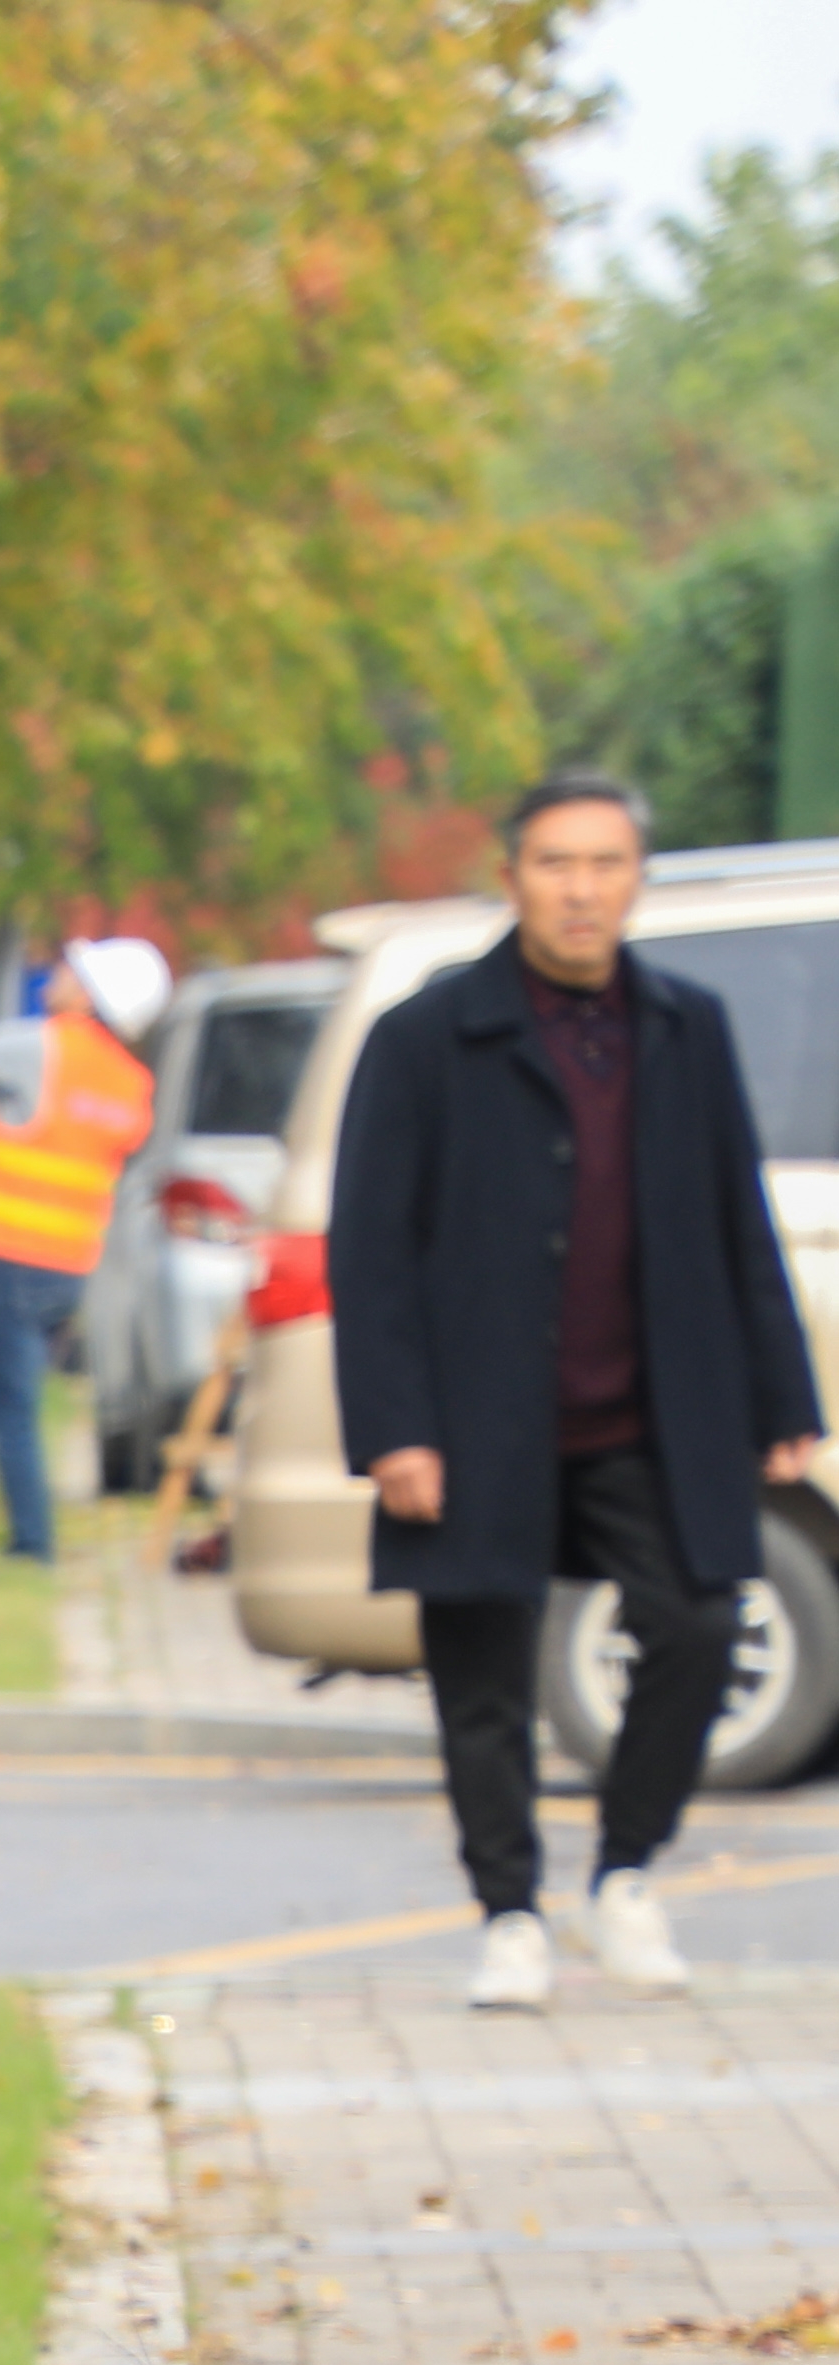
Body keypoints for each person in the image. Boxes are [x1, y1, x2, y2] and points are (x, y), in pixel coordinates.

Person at [326, 773, 829, 2011]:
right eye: (557, 863)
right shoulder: (431, 1034)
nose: (582, 889)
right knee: (482, 1675)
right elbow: (370, 1245)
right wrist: (394, 1428)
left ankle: (624, 1875)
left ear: (636, 880)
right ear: (513, 879)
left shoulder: (684, 1026)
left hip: (650, 1415)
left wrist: (784, 1398)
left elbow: (735, 1220)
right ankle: (508, 1914)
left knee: (703, 1627)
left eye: (606, 864)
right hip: (477, 1417)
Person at [0, 932, 168, 1563]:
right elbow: (57, 1142)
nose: (58, 972)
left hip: (13, 1252)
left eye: (72, 970)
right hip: (70, 1261)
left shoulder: (42, 1046)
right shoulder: (128, 1082)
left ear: (89, 995)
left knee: (12, 1408)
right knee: (23, 1401)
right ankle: (31, 1533)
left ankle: (33, 1542)